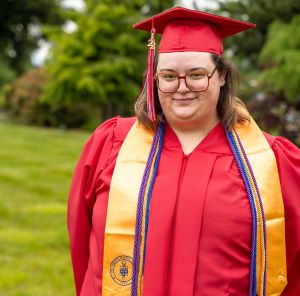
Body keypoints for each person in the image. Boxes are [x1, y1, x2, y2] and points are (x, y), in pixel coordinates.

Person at [67, 6, 300, 296]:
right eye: (168, 76)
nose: (182, 87)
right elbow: (82, 248)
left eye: (196, 74)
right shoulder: (112, 144)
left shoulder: (271, 161)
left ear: (222, 75)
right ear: (154, 77)